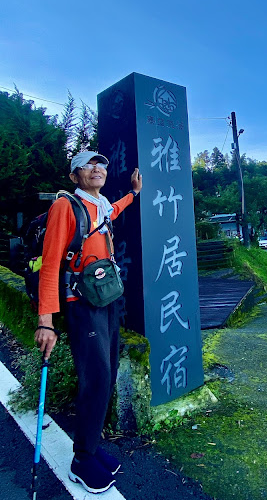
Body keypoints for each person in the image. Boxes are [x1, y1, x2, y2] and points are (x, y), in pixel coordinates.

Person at [35, 150, 142, 494]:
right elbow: (51, 264)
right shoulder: (65, 207)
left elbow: (117, 210)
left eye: (103, 164)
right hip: (82, 304)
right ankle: (81, 460)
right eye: (88, 164)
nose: (98, 168)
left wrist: (134, 194)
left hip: (105, 296)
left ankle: (92, 449)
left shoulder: (102, 203)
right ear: (74, 175)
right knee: (96, 378)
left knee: (107, 372)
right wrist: (46, 322)